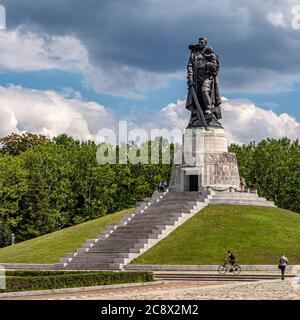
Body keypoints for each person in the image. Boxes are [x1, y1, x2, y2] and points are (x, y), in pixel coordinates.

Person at [186, 36, 222, 128]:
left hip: (207, 76)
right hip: (196, 77)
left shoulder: (210, 53)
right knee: (197, 97)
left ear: (205, 43)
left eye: (202, 42)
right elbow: (190, 66)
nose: (200, 43)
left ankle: (208, 109)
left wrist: (211, 66)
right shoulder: (194, 54)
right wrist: (190, 77)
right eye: (199, 42)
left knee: (204, 91)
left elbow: (216, 66)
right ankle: (197, 115)